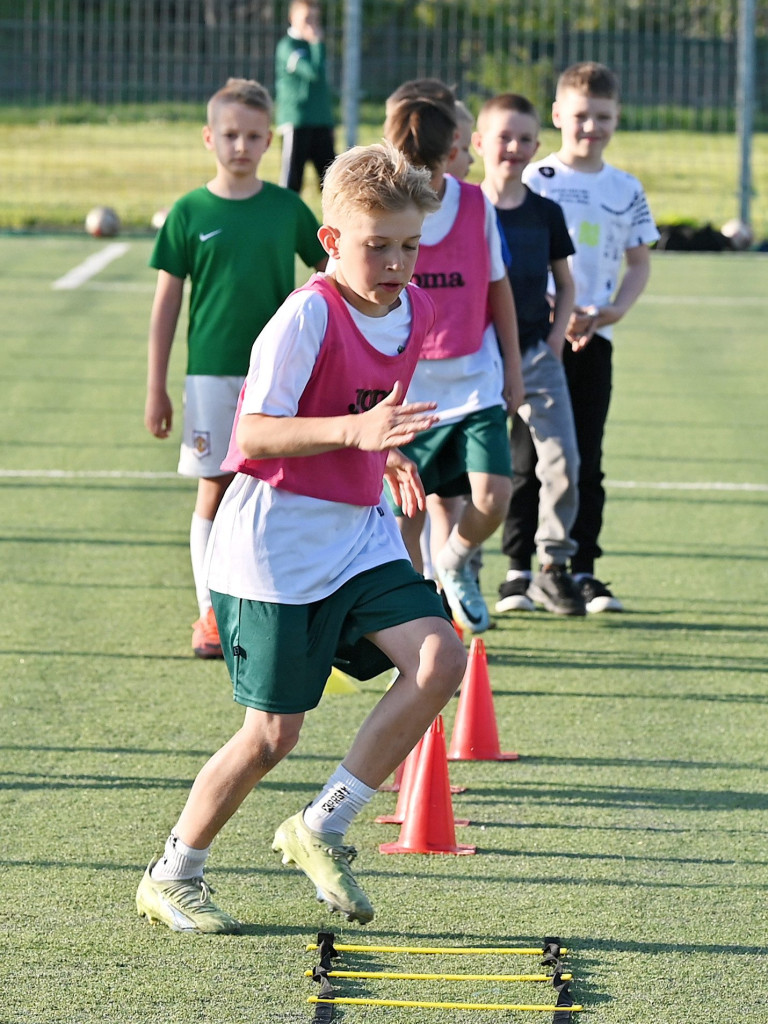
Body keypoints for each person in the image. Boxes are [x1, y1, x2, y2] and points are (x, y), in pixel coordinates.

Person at [135, 142, 467, 934]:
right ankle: (173, 870)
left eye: (410, 246)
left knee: (440, 657)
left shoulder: (415, 310)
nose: (395, 263)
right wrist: (358, 432)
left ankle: (321, 826)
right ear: (331, 242)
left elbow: (370, 416)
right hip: (273, 544)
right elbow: (251, 434)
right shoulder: (307, 313)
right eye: (375, 245)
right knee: (272, 735)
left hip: (357, 533)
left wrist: (384, 452)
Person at [144, 78, 326, 659]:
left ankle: (272, 604)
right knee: (215, 487)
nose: (241, 146)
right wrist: (157, 386)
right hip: (211, 376)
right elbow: (167, 302)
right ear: (208, 138)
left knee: (278, 489)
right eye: (229, 135)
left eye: (252, 136)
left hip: (280, 375)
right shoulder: (189, 213)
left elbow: (333, 273)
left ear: (270, 140)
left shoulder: (288, 208)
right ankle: (210, 614)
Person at [383, 79, 524, 634]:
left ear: (454, 153)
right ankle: (413, 630)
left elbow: (499, 289)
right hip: (408, 393)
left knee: (493, 496)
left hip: (474, 383)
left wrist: (512, 367)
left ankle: (457, 560)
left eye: (432, 170)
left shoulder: (475, 206)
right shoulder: (386, 215)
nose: (424, 183)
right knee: (406, 519)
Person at [523, 62, 659, 612]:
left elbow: (639, 261)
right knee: (526, 458)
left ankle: (584, 570)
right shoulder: (535, 178)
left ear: (616, 119)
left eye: (602, 117)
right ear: (558, 115)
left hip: (591, 338)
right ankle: (518, 571)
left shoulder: (625, 188)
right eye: (579, 116)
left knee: (586, 458)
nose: (590, 127)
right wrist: (554, 307)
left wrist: (614, 311)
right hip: (538, 337)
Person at [472, 93, 585, 617]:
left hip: (538, 355)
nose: (513, 147)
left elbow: (565, 284)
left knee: (562, 461)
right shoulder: (463, 210)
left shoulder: (546, 212)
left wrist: (557, 338)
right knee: (473, 470)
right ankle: (463, 569)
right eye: (502, 137)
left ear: (538, 146)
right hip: (477, 359)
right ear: (477, 144)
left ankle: (551, 567)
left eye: (523, 139)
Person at [275, 0, 336, 193]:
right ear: (292, 18)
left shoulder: (315, 46)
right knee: (292, 182)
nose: (312, 24)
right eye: (307, 18)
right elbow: (312, 72)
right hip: (297, 122)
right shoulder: (289, 46)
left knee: (332, 183)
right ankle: (287, 222)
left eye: (315, 19)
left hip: (320, 123)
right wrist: (317, 43)